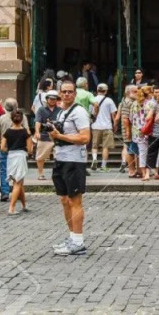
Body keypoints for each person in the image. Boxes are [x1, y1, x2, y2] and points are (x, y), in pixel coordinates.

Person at [49, 80, 92, 256]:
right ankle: (72, 237)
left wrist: (60, 136)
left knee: (75, 201)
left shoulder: (79, 112)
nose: (67, 94)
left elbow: (85, 138)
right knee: (64, 200)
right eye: (64, 91)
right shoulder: (61, 112)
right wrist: (54, 135)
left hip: (74, 160)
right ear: (59, 93)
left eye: (70, 92)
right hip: (61, 157)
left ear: (75, 93)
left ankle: (78, 242)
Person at [0, 98, 27, 202]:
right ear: (16, 106)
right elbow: (27, 131)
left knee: (4, 170)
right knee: (18, 171)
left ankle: (5, 192)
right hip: (19, 148)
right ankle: (18, 191)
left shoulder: (1, 119)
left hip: (5, 148)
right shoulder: (22, 117)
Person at [1, 110, 32, 215]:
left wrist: (9, 150)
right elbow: (30, 149)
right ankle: (12, 208)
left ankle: (24, 205)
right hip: (21, 155)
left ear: (11, 119)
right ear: (22, 119)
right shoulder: (25, 132)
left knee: (18, 182)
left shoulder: (7, 132)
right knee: (18, 183)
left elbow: (2, 147)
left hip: (11, 156)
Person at [90, 83, 118, 172]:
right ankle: (103, 166)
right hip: (107, 126)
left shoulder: (93, 100)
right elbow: (113, 114)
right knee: (105, 147)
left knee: (94, 146)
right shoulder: (109, 100)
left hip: (95, 126)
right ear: (106, 91)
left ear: (97, 90)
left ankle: (94, 159)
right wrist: (115, 125)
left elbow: (90, 113)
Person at [34, 90, 61, 180]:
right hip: (44, 135)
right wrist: (37, 132)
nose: (52, 100)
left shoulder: (60, 110)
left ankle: (58, 174)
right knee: (41, 156)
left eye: (54, 99)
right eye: (51, 99)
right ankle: (40, 173)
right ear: (47, 99)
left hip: (57, 136)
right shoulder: (41, 109)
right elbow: (37, 121)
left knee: (59, 156)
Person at [119, 84, 140, 177]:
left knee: (134, 150)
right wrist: (128, 131)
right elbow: (125, 118)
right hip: (130, 131)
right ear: (128, 93)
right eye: (135, 91)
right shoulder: (128, 102)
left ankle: (137, 170)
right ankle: (131, 170)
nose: (137, 93)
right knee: (130, 150)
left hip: (132, 130)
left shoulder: (130, 101)